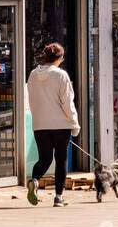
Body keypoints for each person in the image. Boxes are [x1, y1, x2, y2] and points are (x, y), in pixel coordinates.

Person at [26, 43, 80, 207]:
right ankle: (58, 197)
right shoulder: (61, 75)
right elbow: (67, 103)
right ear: (59, 58)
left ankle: (34, 180)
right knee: (61, 159)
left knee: (45, 158)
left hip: (40, 124)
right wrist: (74, 123)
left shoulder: (33, 75)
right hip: (60, 124)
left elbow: (31, 99)